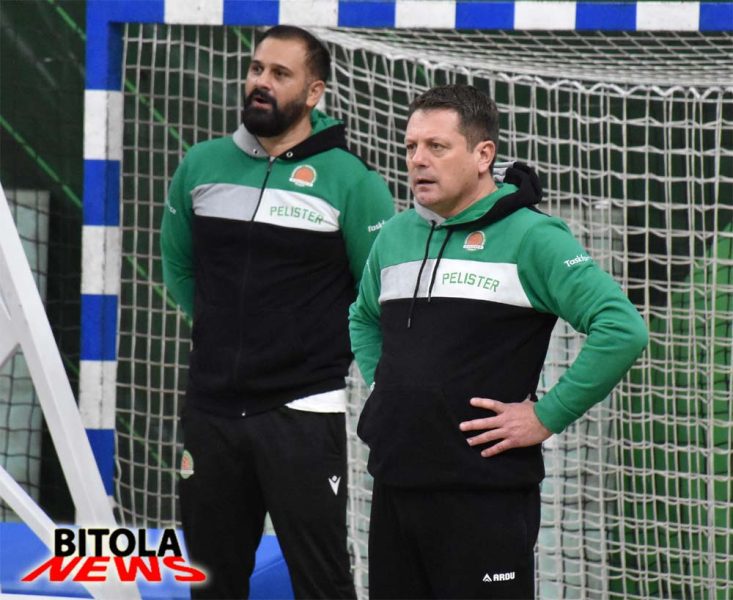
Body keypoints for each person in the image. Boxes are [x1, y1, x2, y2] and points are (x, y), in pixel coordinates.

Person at [349, 84, 648, 599]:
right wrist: (387, 388)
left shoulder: (534, 236)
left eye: (436, 146)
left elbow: (622, 328)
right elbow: (362, 317)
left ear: (483, 154)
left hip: (484, 498)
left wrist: (546, 415)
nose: (418, 160)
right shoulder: (394, 235)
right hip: (395, 486)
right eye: (411, 146)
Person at [161, 25, 395, 599]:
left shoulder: (353, 181)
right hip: (211, 409)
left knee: (322, 583)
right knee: (210, 584)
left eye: (280, 73)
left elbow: (379, 297)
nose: (261, 82)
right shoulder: (201, 164)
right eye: (256, 68)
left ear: (314, 93)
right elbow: (180, 269)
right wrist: (224, 335)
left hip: (303, 410)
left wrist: (312, 353)